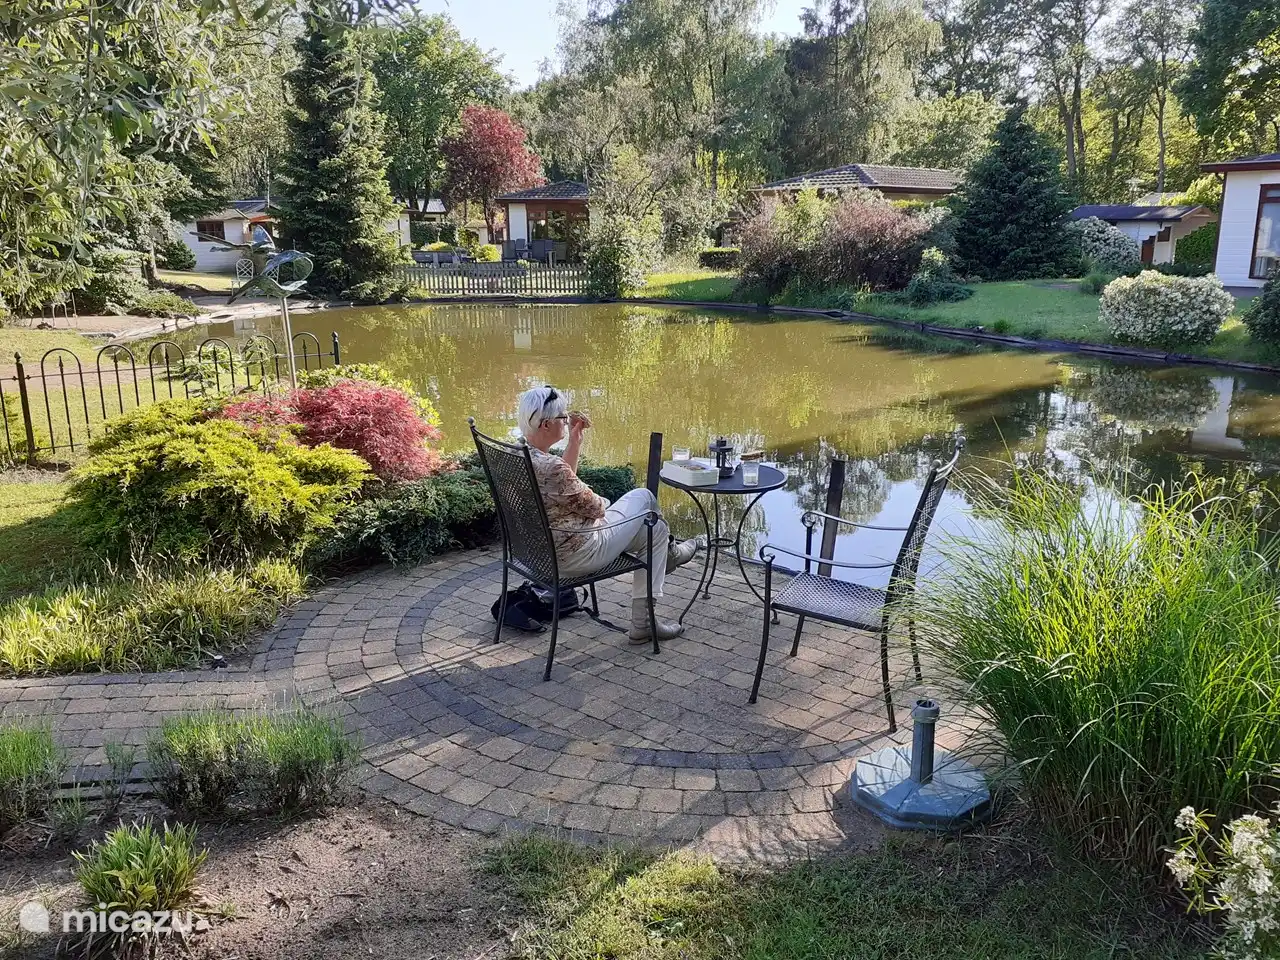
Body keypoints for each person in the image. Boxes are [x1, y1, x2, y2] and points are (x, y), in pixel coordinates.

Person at [517, 385, 699, 643]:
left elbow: (557, 485)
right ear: (546, 425)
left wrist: (575, 441)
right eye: (562, 418)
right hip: (576, 554)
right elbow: (597, 508)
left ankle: (644, 620)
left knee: (654, 531)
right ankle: (669, 558)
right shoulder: (551, 468)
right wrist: (601, 499)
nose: (567, 420)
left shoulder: (518, 454)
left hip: (537, 554)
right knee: (644, 497)